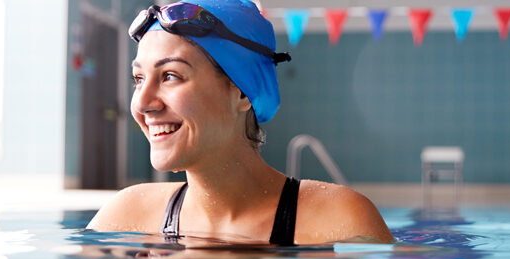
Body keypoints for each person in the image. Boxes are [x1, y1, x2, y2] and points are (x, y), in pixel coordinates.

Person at [87, 0, 393, 245]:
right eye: (138, 79)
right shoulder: (127, 217)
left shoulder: (339, 223)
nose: (142, 103)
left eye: (170, 76)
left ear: (242, 92)